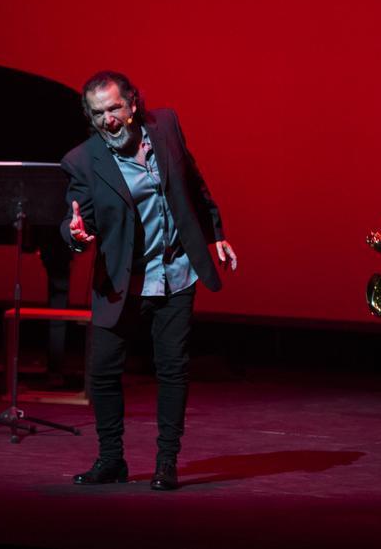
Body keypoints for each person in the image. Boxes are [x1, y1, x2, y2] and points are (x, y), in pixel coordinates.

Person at [61, 70, 236, 491]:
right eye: (98, 113)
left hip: (175, 272)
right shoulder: (82, 160)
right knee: (103, 372)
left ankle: (166, 462)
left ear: (133, 104)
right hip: (123, 281)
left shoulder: (166, 125)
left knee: (172, 369)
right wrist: (76, 236)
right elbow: (76, 219)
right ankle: (111, 461)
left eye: (114, 108)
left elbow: (193, 182)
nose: (108, 120)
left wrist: (215, 233)